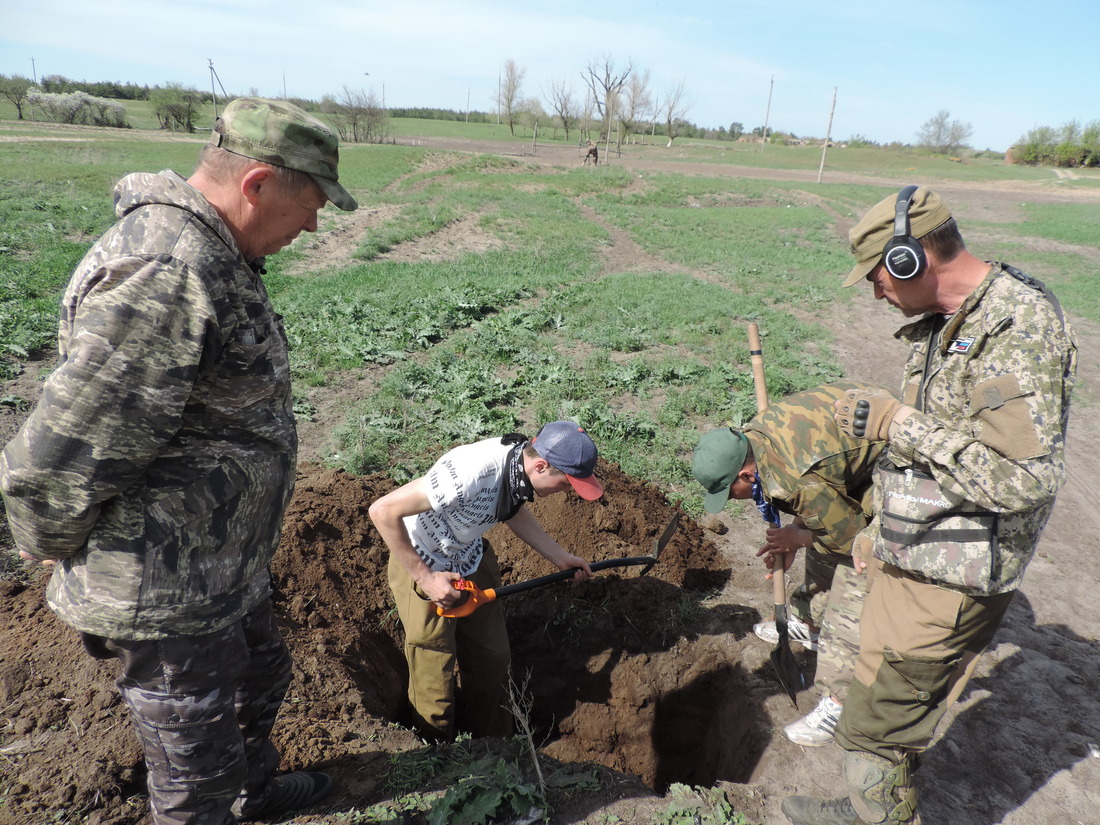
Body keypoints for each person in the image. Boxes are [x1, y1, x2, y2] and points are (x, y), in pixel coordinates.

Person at [0, 97, 358, 824]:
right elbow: (59, 452)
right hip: (162, 586)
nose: (315, 224)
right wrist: (46, 534)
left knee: (260, 680)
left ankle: (255, 794)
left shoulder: (216, 252)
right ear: (257, 184)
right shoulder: (169, 270)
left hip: (217, 562)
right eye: (312, 203)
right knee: (195, 769)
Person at [782, 186, 1077, 825]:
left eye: (877, 276)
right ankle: (871, 805)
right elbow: (931, 449)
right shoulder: (951, 320)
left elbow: (1022, 479)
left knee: (870, 733)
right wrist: (877, 528)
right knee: (880, 704)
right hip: (914, 551)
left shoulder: (1014, 325)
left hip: (954, 573)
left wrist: (896, 425)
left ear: (911, 259)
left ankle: (878, 809)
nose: (874, 292)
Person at [368, 422, 602, 742]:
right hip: (424, 562)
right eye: (566, 483)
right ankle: (435, 753)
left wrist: (559, 556)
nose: (567, 491)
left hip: (471, 560)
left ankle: (493, 748)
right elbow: (382, 511)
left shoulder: (519, 468)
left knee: (492, 658)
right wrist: (426, 578)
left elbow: (510, 508)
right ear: (541, 465)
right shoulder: (468, 474)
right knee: (434, 668)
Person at [692, 381, 888, 746]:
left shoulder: (796, 481)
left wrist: (798, 537)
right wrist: (799, 533)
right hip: (847, 443)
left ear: (746, 475)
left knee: (856, 575)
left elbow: (847, 537)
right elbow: (818, 494)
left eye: (729, 492)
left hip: (891, 461)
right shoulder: (754, 439)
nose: (732, 501)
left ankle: (843, 701)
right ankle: (811, 620)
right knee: (821, 526)